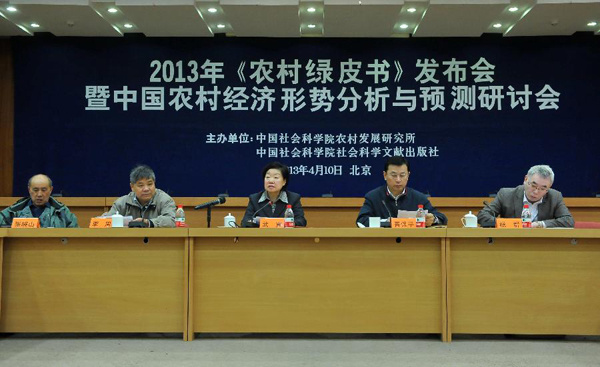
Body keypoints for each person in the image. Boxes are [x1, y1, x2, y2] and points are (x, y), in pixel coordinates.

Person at [356, 156, 447, 227]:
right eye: (394, 175)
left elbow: (442, 218)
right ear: (385, 175)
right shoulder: (373, 197)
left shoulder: (419, 198)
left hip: (412, 245)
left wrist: (433, 219)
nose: (398, 180)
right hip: (382, 245)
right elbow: (361, 221)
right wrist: (388, 222)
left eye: (402, 175)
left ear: (408, 175)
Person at [477, 164, 574, 228]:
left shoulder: (555, 196)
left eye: (542, 188)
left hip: (542, 245)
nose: (536, 192)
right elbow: (482, 216)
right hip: (510, 243)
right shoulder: (506, 194)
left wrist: (540, 224)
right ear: (526, 179)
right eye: (533, 185)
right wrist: (512, 225)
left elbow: (568, 221)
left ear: (548, 188)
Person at [105, 165, 176, 228]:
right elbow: (107, 221)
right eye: (141, 185)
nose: (146, 189)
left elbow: (171, 221)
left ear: (154, 183)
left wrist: (148, 223)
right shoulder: (121, 203)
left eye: (150, 184)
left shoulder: (165, 200)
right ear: (132, 187)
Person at [242, 161, 307, 227]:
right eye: (267, 177)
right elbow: (245, 222)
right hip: (262, 236)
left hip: (284, 236)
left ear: (284, 181)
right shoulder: (255, 199)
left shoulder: (293, 198)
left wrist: (282, 223)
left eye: (276, 177)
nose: (271, 181)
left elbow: (301, 221)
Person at [0, 174, 78, 228]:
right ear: (29, 190)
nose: (39, 194)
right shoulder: (14, 212)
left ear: (51, 190)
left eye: (44, 190)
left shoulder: (63, 212)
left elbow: (75, 236)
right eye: (35, 190)